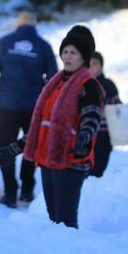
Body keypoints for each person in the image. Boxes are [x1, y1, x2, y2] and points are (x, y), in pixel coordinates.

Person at [21, 25, 103, 228]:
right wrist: (18, 145)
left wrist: (84, 136)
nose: (67, 56)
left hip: (72, 159)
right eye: (65, 51)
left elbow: (92, 115)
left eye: (73, 52)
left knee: (65, 219)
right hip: (48, 159)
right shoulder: (56, 82)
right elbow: (43, 122)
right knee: (53, 218)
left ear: (84, 57)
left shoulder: (88, 84)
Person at [0, 11, 57, 207]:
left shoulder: (3, 43)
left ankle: (10, 194)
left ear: (18, 24)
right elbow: (54, 79)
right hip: (34, 108)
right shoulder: (43, 46)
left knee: (5, 148)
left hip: (6, 106)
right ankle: (26, 191)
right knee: (31, 147)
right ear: (35, 26)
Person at [88, 51, 121, 178]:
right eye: (89, 64)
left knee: (98, 170)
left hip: (104, 135)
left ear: (101, 66)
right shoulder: (82, 84)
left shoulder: (108, 85)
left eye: (95, 64)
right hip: (87, 135)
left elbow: (117, 108)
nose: (92, 67)